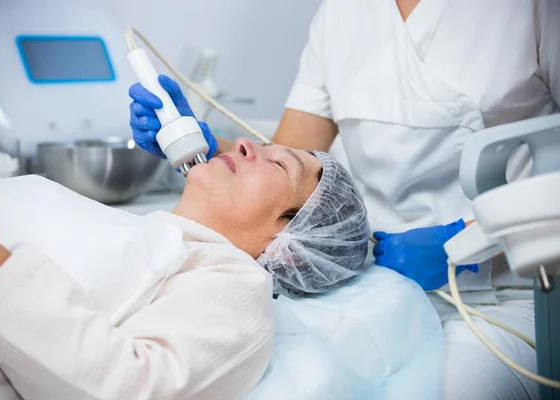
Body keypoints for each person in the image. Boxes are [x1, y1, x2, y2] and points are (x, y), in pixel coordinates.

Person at [128, 0, 560, 397]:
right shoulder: (342, 13)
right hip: (363, 278)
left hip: (507, 292)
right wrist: (204, 149)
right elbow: (293, 157)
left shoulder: (532, 11)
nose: (243, 145)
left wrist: (476, 241)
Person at [0, 139, 370, 400]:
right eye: (265, 145)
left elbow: (135, 386)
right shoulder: (143, 233)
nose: (245, 144)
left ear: (289, 250)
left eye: (280, 165)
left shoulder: (235, 282)